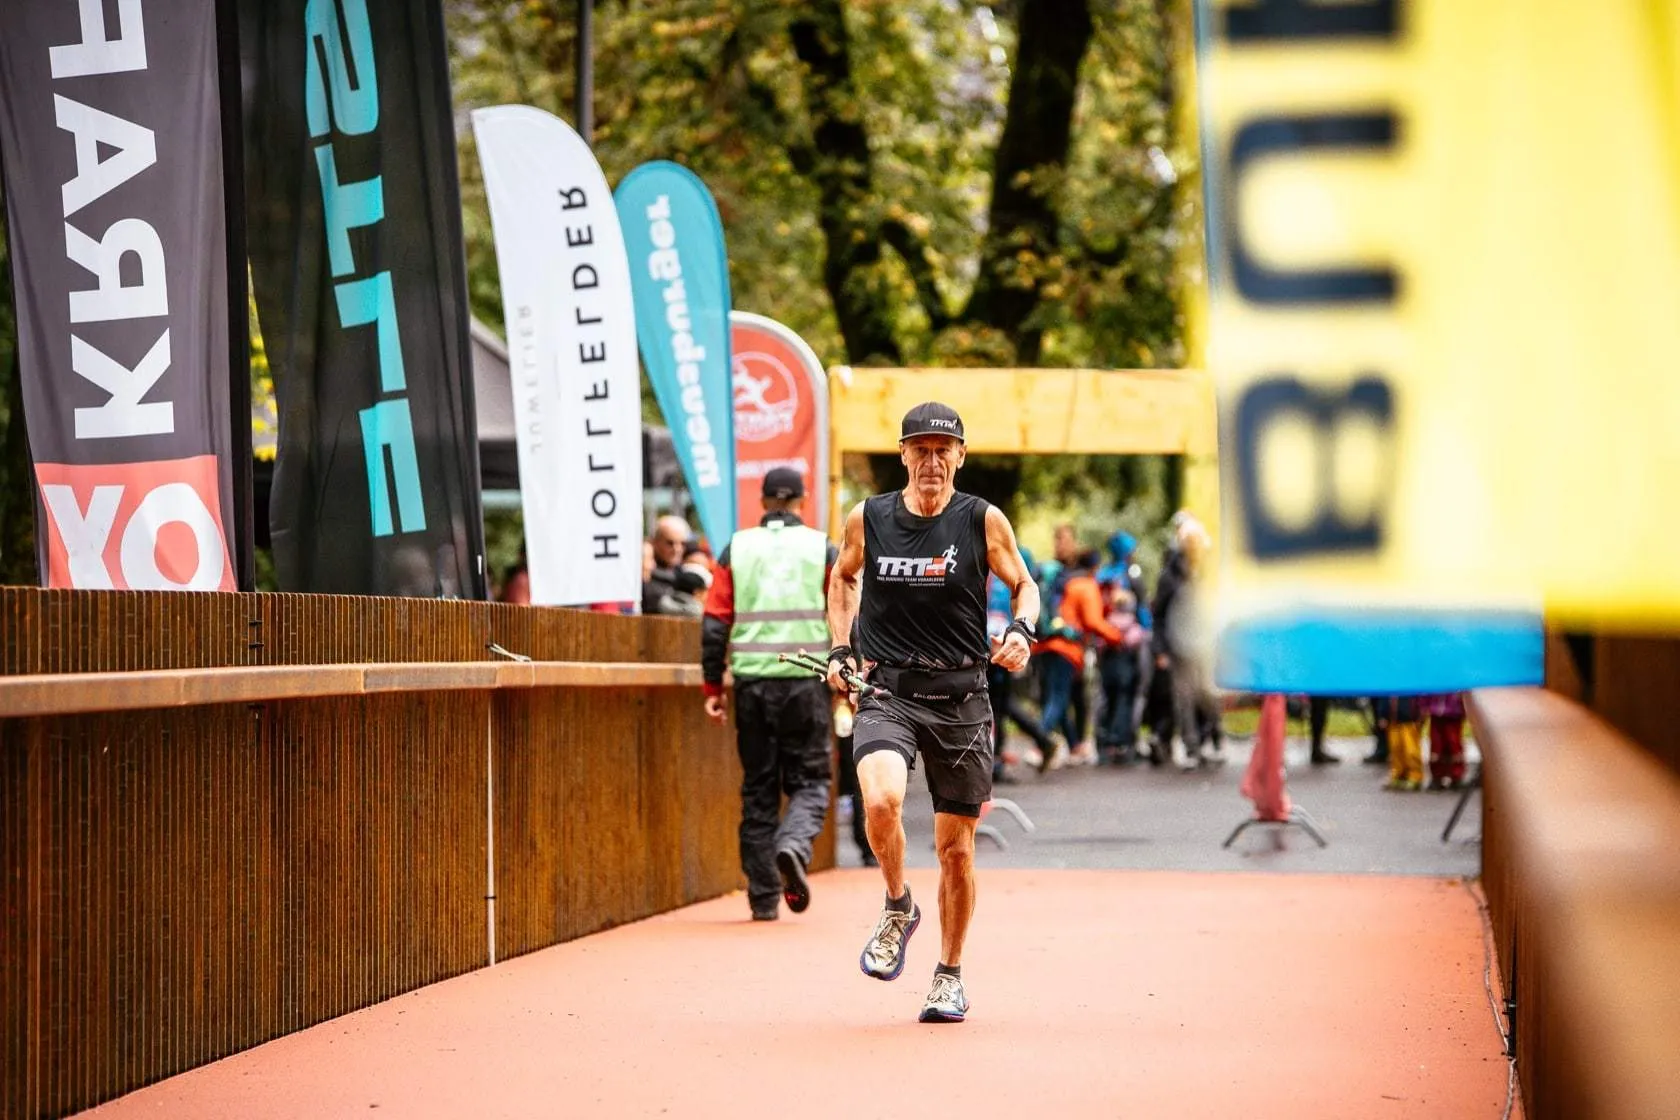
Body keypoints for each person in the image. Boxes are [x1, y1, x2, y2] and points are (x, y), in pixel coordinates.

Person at [825, 402, 1037, 1025]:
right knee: (881, 799)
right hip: (888, 692)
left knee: (956, 851)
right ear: (903, 455)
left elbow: (1024, 584)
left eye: (944, 450)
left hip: (962, 697)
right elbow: (843, 578)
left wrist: (1021, 630)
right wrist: (840, 649)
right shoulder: (868, 518)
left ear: (961, 457)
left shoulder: (981, 519)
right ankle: (898, 903)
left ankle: (949, 973)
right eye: (920, 449)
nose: (932, 461)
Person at [700, 468, 836, 921]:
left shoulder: (736, 549)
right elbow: (847, 613)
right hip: (806, 682)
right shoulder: (822, 549)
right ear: (802, 499)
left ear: (762, 502)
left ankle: (763, 899)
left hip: (752, 685)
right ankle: (793, 845)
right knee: (811, 781)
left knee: (759, 790)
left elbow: (714, 623)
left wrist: (712, 686)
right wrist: (848, 671)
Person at [1035, 548, 1123, 768]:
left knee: (1059, 698)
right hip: (1067, 647)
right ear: (1095, 567)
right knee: (1058, 699)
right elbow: (1093, 621)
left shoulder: (1066, 582)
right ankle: (1040, 743)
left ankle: (1075, 746)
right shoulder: (1086, 586)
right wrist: (1117, 636)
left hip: (1046, 643)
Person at [644, 515, 706, 616]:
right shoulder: (646, 573)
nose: (677, 549)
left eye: (682, 543)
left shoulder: (684, 573)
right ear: (655, 542)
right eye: (670, 543)